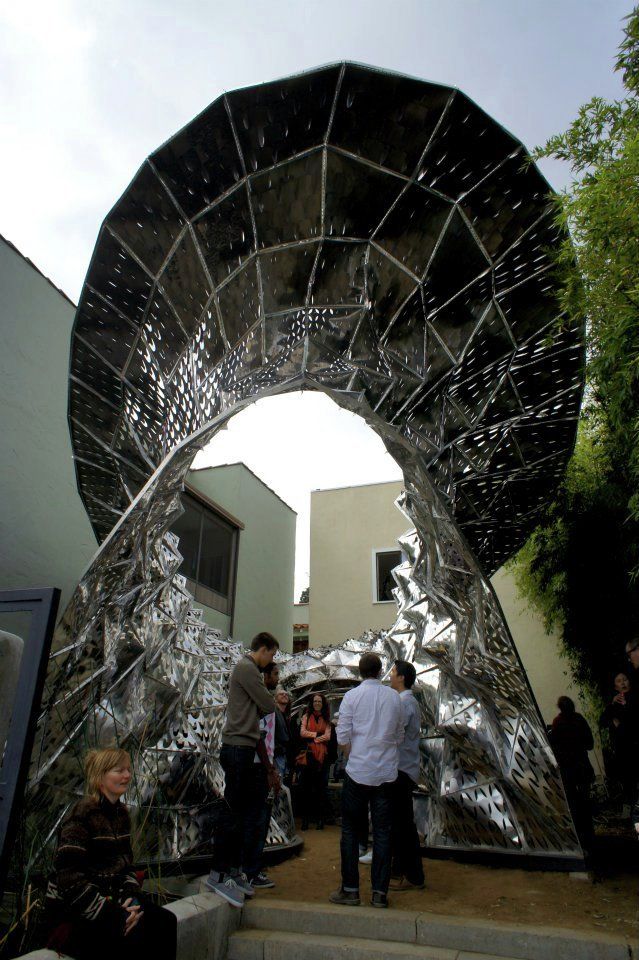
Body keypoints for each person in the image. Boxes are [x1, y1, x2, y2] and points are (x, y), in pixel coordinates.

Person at [45, 747, 177, 960]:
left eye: (128, 769)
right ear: (100, 777)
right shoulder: (81, 817)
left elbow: (126, 866)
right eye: (119, 770)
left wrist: (131, 897)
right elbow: (69, 881)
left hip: (111, 898)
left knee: (166, 921)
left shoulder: (120, 815)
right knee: (133, 936)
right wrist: (113, 913)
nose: (127, 775)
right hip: (76, 911)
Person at [206, 632, 279, 907]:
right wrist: (264, 703)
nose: (271, 660)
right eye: (271, 654)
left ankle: (233, 871)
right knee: (232, 812)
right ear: (263, 649)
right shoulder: (247, 669)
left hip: (242, 747)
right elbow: (269, 704)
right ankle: (219, 873)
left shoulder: (247, 670)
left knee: (239, 812)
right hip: (238, 747)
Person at [330, 652, 403, 909]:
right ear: (380, 671)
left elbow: (342, 736)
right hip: (386, 773)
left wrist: (353, 754)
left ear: (360, 672)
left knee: (350, 830)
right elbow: (399, 736)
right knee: (383, 832)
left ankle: (350, 889)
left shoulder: (351, 697)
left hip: (357, 772)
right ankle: (379, 893)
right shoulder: (394, 698)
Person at [243, 660, 281, 890]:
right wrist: (270, 769)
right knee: (257, 820)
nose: (278, 678)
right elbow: (259, 736)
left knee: (259, 820)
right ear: (265, 676)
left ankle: (251, 868)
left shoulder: (262, 701)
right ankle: (250, 871)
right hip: (258, 767)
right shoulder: (262, 703)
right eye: (275, 674)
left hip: (262, 765)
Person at [388, 660, 425, 891]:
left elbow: (395, 734)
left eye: (393, 672)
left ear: (402, 677)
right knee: (404, 823)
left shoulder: (403, 704)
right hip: (404, 768)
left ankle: (403, 872)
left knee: (400, 824)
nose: (390, 675)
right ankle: (413, 874)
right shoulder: (407, 701)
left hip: (401, 769)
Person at [549, 696, 595, 852]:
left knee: (573, 804)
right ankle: (589, 838)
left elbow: (553, 746)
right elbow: (589, 744)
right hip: (582, 766)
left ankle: (579, 838)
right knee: (585, 803)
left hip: (568, 769)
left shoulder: (557, 723)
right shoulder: (579, 720)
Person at [600, 672, 639, 814]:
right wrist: (611, 704)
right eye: (619, 681)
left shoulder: (635, 697)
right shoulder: (615, 703)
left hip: (635, 745)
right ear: (615, 687)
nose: (623, 683)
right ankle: (632, 811)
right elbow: (603, 721)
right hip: (623, 749)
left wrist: (621, 725)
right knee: (629, 782)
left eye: (625, 679)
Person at [299, 692, 332, 830]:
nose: (317, 703)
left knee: (321, 788)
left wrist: (313, 738)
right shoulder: (306, 717)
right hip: (309, 756)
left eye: (319, 701)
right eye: (315, 701)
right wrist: (318, 735)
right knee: (306, 788)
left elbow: (328, 736)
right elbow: (302, 733)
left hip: (323, 757)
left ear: (323, 704)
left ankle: (320, 819)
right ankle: (305, 820)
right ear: (312, 703)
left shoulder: (327, 719)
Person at [273, 686, 293, 781]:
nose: (284, 695)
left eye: (286, 694)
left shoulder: (285, 715)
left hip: (284, 754)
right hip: (276, 754)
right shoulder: (274, 712)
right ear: (275, 698)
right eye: (281, 694)